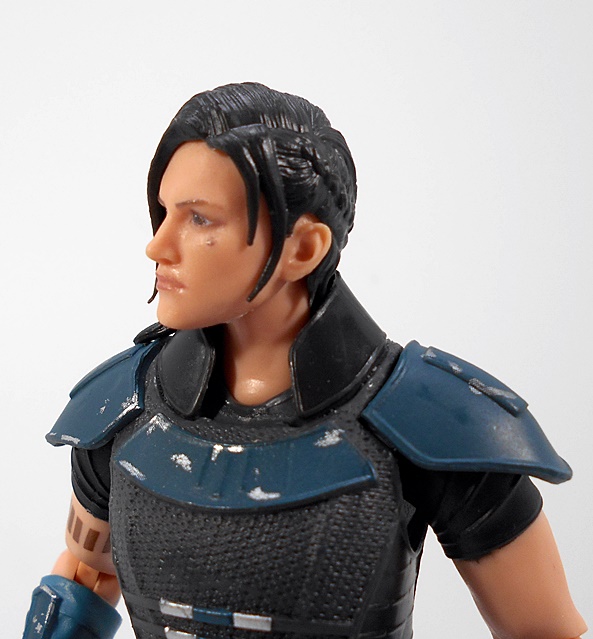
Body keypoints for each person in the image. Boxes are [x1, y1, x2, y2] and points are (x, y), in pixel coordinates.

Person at [23, 83, 586, 639]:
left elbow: (543, 630)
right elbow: (84, 579)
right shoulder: (122, 412)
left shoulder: (440, 425)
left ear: (303, 248)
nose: (158, 245)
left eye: (199, 219)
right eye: (165, 212)